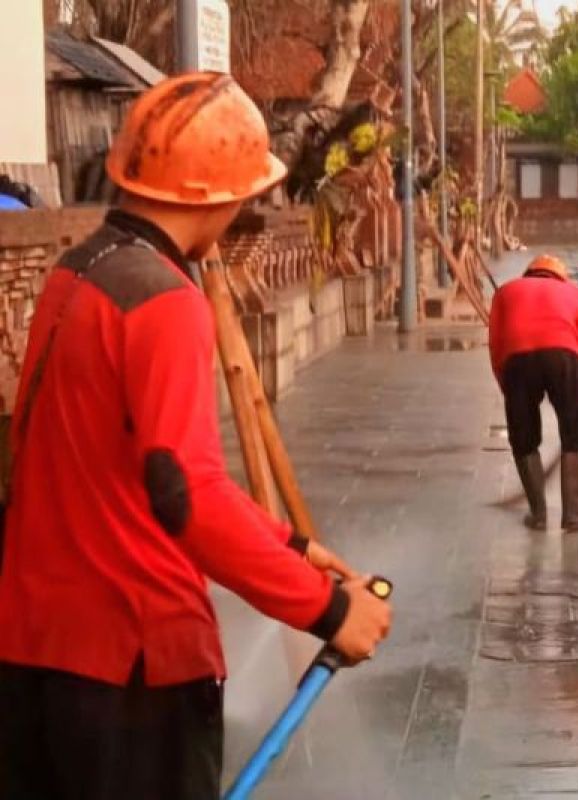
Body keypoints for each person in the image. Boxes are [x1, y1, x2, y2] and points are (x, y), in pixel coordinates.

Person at [0, 72, 391, 800]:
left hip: (34, 658)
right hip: (134, 676)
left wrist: (293, 549)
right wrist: (331, 612)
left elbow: (147, 470)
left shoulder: (75, 275)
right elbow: (186, 496)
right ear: (214, 194)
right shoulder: (165, 303)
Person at [489, 254, 578, 532]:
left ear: (529, 273)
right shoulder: (573, 294)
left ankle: (538, 514)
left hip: (517, 358)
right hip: (563, 355)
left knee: (524, 438)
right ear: (560, 277)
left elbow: (495, 346)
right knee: (575, 436)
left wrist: (510, 390)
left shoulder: (506, 291)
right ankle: (574, 513)